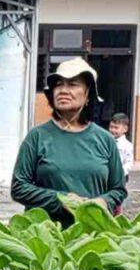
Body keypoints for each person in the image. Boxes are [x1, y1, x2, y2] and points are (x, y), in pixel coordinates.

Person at [11, 57, 126, 226]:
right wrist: (60, 199)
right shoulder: (37, 136)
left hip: (93, 236)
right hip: (46, 236)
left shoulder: (105, 139)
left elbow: (118, 189)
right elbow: (19, 187)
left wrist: (103, 201)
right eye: (58, 84)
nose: (63, 90)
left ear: (88, 95)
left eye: (73, 84)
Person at [109, 112, 134, 179]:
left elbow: (129, 162)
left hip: (120, 175)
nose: (113, 130)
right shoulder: (106, 141)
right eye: (111, 127)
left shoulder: (127, 145)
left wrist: (121, 172)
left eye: (116, 128)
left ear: (125, 129)